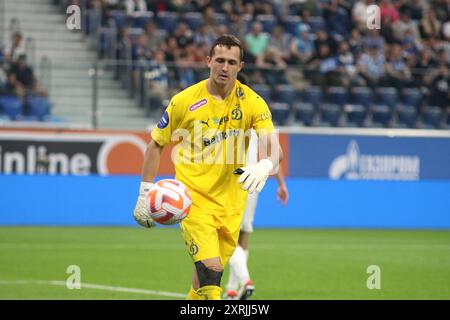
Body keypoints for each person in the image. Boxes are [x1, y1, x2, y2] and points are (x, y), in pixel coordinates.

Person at [133, 35, 283, 300]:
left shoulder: (253, 102)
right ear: (208, 61)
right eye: (220, 60)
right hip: (193, 201)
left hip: (232, 204)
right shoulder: (184, 101)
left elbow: (275, 147)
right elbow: (155, 144)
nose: (225, 67)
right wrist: (145, 193)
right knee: (211, 271)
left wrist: (265, 164)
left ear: (241, 66)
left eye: (231, 62)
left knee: (202, 280)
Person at [224, 129, 289, 300]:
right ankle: (232, 289)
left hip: (228, 182)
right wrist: (281, 184)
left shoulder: (226, 112)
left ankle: (244, 281)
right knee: (243, 237)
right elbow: (272, 153)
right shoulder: (257, 114)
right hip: (252, 181)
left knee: (225, 236)